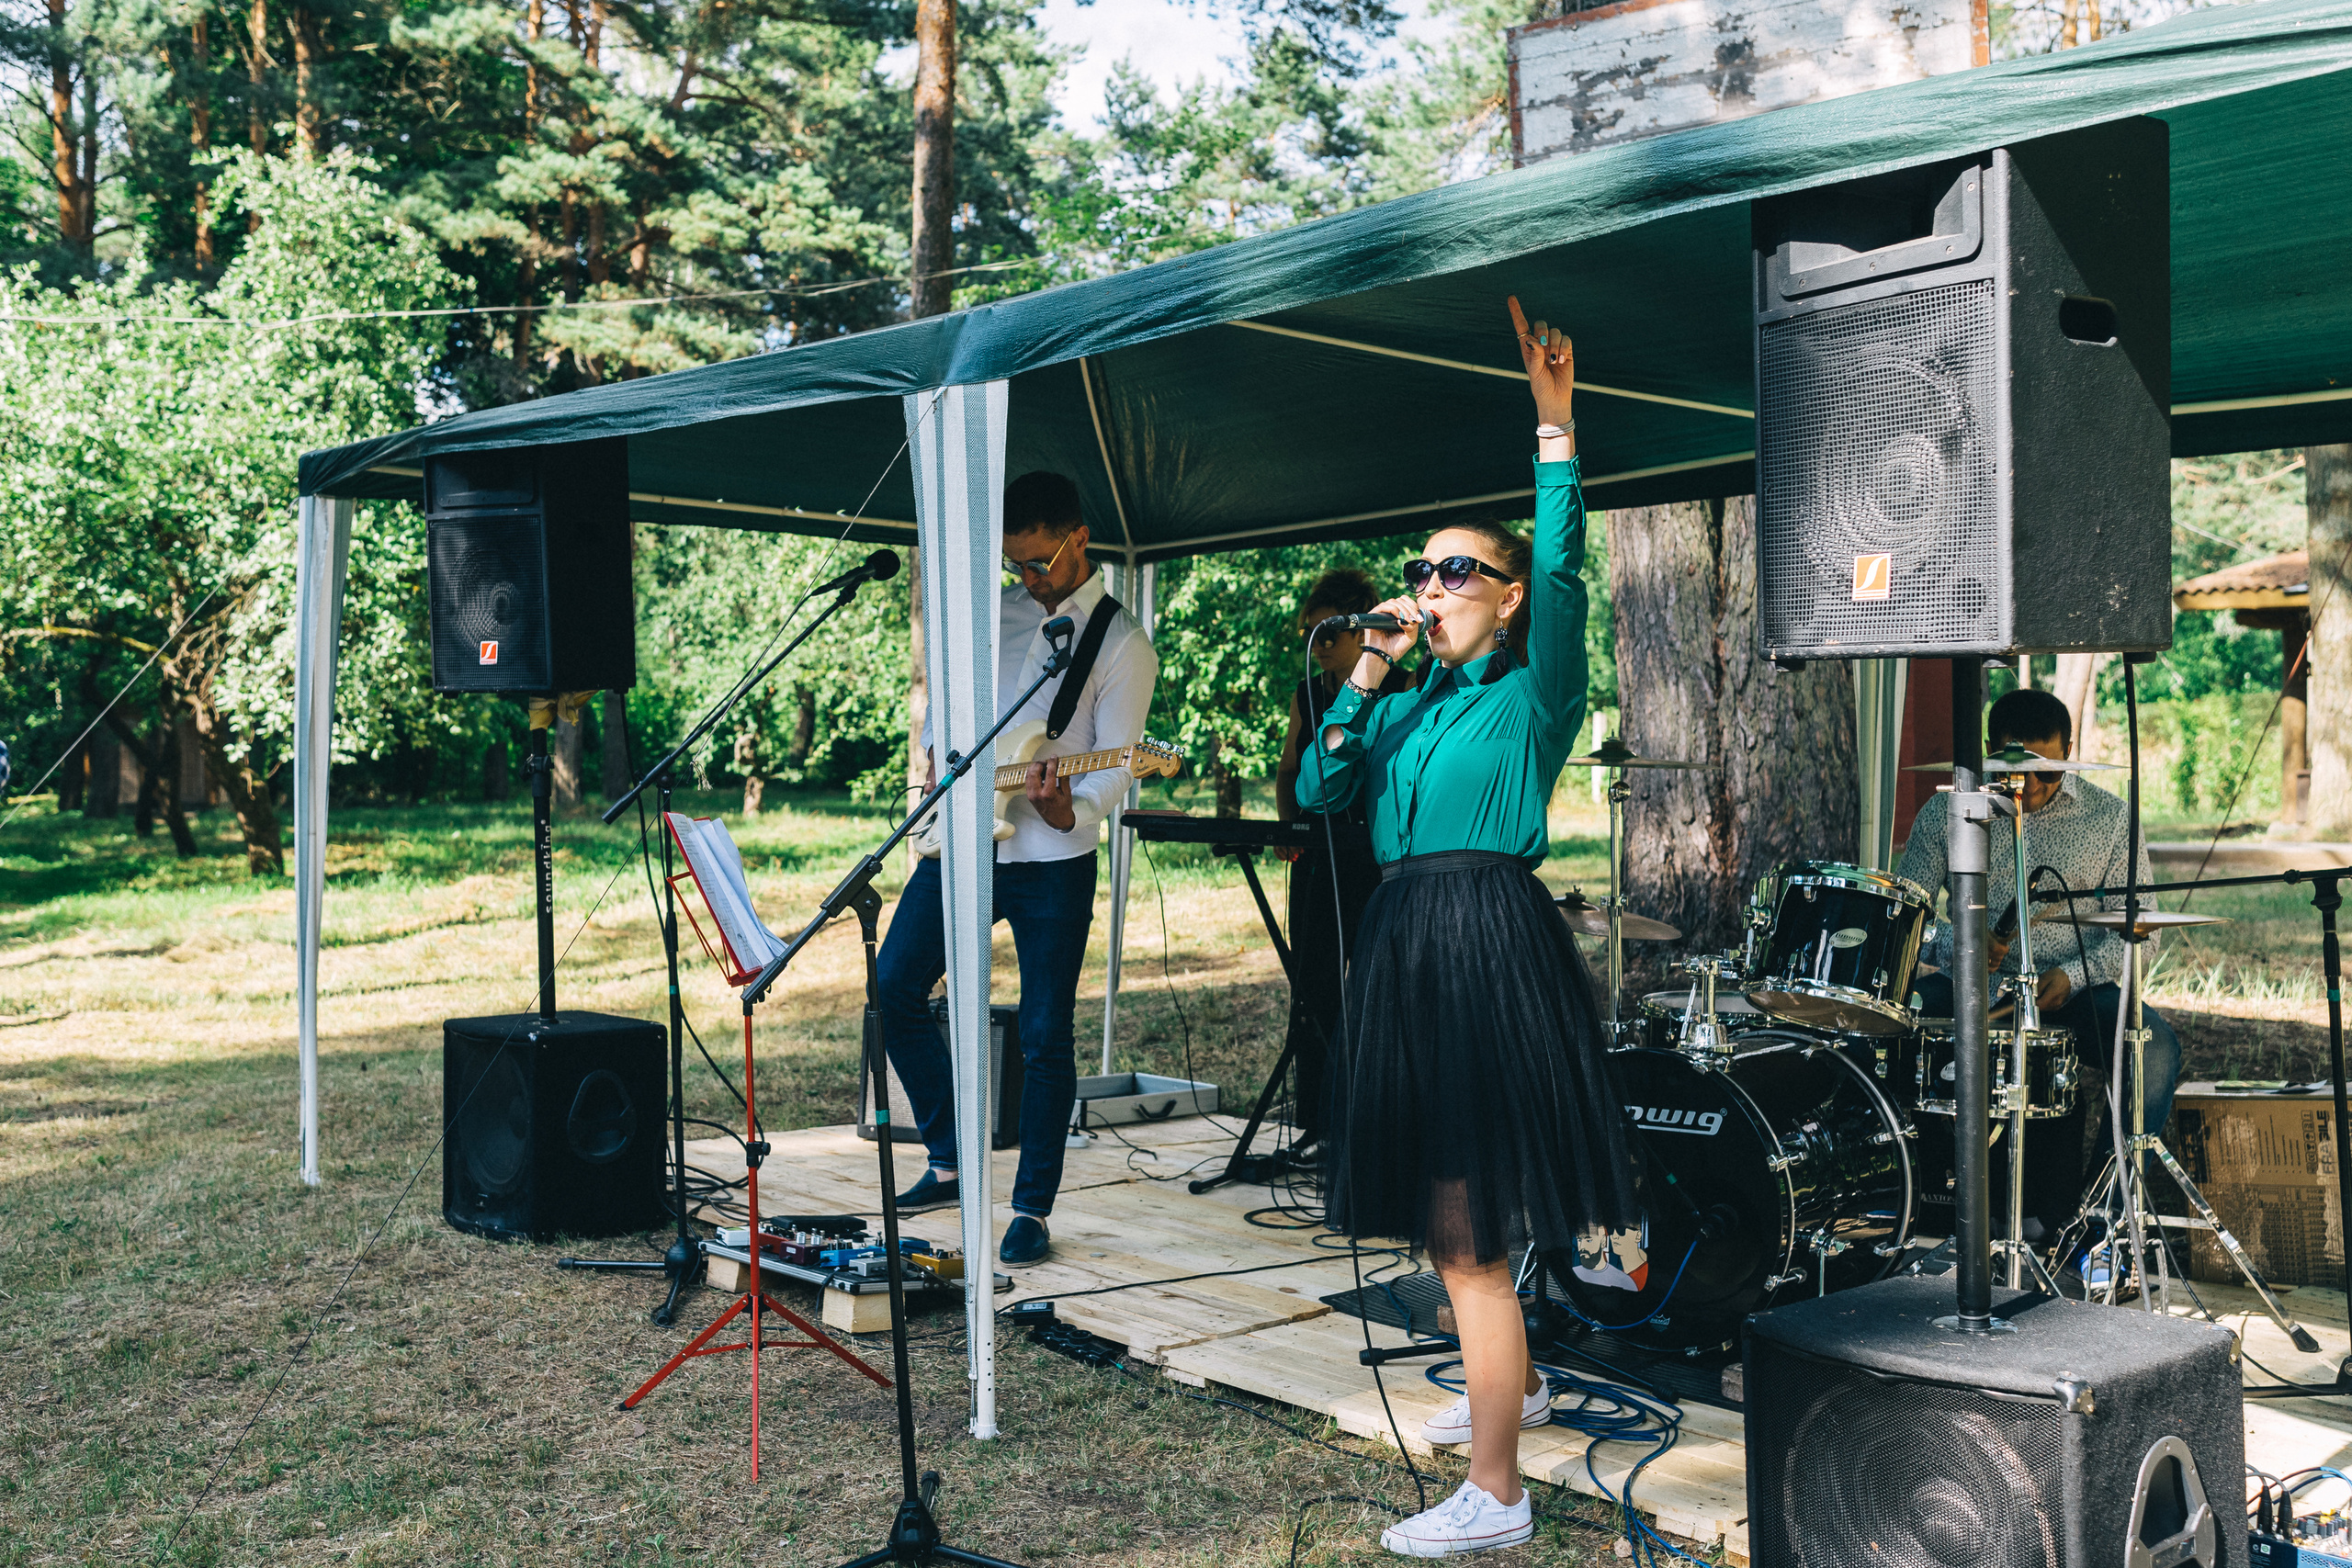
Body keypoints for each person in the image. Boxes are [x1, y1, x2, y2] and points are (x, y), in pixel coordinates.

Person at [1299, 299, 1639, 1558]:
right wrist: (1368, 675)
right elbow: (1318, 793)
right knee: (1455, 1207)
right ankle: (1522, 1387)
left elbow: (1562, 565)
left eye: (1457, 571)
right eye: (1422, 568)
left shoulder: (1533, 688)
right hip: (1407, 940)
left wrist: (1555, 430)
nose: (1430, 586)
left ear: (1502, 602)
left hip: (1486, 937)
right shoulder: (1402, 701)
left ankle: (1498, 1492)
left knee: (1466, 1228)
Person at [876, 470, 1159, 1268]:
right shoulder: (995, 614)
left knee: (1042, 1034)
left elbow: (1116, 765)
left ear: (1080, 540)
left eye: (1040, 562)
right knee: (895, 985)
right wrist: (934, 746)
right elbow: (951, 708)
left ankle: (1031, 1206)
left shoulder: (1123, 643)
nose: (1028, 579)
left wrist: (1076, 806)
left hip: (1053, 857)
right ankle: (951, 1155)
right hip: (966, 841)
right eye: (1017, 566)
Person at [1896, 685, 2183, 1239]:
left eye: (2043, 770)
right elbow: (1905, 913)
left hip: (2073, 989)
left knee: (2156, 1050)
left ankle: (2098, 1218)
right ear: (1985, 750)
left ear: (2068, 751)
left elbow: (2139, 928)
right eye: (2010, 769)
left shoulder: (2110, 819)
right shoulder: (1946, 812)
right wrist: (1959, 945)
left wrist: (2072, 976)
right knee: (1899, 1027)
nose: (2026, 786)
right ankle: (1920, 1200)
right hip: (1972, 986)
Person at [1272, 570, 1415, 1156]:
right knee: (1313, 987)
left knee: (1385, 987)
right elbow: (1288, 768)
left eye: (1329, 634)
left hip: (1378, 856)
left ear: (1362, 629)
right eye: (1312, 635)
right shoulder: (1308, 692)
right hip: (1318, 850)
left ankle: (1385, 1122)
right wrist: (1288, 826)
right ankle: (1318, 1123)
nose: (1320, 645)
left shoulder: (1407, 684)